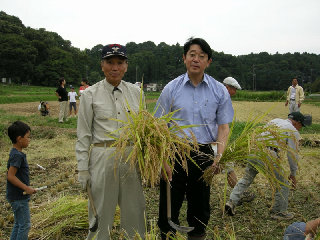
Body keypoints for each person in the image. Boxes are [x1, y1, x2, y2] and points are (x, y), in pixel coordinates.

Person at [154, 37, 234, 240]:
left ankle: (197, 235)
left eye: (202, 56)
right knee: (169, 204)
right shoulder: (171, 89)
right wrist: (163, 158)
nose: (196, 59)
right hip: (174, 151)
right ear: (184, 58)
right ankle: (166, 234)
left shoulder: (219, 90)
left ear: (209, 61)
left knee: (200, 206)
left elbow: (223, 128)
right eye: (192, 55)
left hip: (204, 153)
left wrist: (219, 156)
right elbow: (159, 127)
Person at [76, 44, 145, 240]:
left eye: (120, 62)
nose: (115, 67)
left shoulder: (136, 93)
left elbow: (143, 130)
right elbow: (83, 135)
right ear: (102, 65)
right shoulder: (90, 94)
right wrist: (83, 168)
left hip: (131, 157)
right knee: (100, 214)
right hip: (102, 155)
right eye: (110, 62)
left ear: (126, 66)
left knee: (135, 213)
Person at [225, 112, 306, 220]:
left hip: (254, 151)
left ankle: (231, 202)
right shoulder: (292, 130)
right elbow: (293, 154)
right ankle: (279, 212)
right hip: (268, 154)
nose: (300, 128)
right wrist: (293, 174)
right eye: (301, 126)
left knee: (246, 179)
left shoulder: (275, 121)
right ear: (297, 123)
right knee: (282, 184)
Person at [6, 121, 37, 240]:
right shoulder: (17, 156)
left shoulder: (14, 153)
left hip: (15, 195)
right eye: (28, 137)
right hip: (19, 197)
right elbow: (11, 176)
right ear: (19, 138)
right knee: (25, 225)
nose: (29, 140)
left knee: (19, 224)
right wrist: (26, 188)